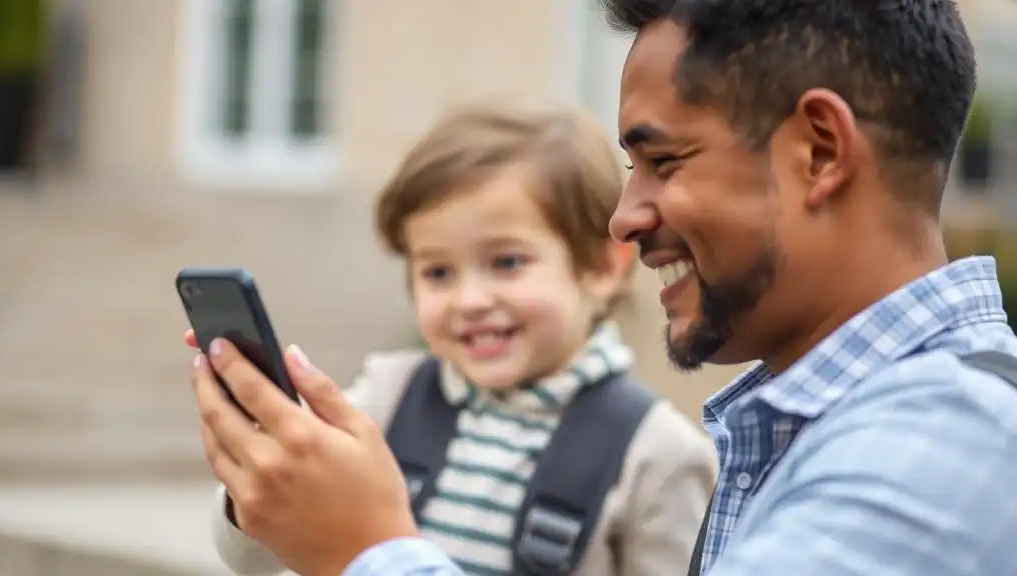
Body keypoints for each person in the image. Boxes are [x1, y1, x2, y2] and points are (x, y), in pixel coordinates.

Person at [186, 0, 1017, 575]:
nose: (624, 218)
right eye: (435, 269)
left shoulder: (939, 449)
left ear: (820, 153)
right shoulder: (825, 427)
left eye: (665, 161)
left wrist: (365, 548)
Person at [191, 103, 717, 576]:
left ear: (603, 266)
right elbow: (251, 560)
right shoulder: (387, 395)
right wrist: (259, 479)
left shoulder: (659, 456)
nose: (469, 300)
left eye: (507, 262)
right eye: (438, 272)